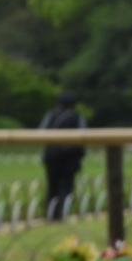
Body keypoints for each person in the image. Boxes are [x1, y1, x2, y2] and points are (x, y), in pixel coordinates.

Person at [39, 90, 88, 221]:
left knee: (52, 185)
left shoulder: (51, 116)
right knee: (66, 185)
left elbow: (41, 132)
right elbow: (84, 136)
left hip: (51, 156)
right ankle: (63, 213)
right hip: (70, 157)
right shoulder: (77, 117)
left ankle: (51, 214)